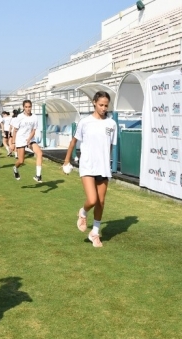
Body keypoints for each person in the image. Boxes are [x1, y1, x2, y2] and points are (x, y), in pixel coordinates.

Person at [63, 91, 117, 248]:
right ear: (94, 103)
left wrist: (107, 163)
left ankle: (95, 233)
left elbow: (110, 147)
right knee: (92, 200)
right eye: (101, 105)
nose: (104, 108)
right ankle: (83, 212)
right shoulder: (85, 122)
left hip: (103, 167)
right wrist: (66, 161)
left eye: (106, 105)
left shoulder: (112, 124)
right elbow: (73, 142)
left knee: (101, 202)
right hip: (87, 165)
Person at [11, 100, 43, 181]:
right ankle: (15, 168)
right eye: (26, 107)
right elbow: (15, 130)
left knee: (39, 153)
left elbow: (34, 130)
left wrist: (29, 139)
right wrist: (13, 143)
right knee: (21, 161)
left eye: (29, 107)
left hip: (30, 138)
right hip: (20, 139)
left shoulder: (34, 117)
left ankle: (38, 176)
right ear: (23, 107)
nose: (28, 109)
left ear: (31, 107)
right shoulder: (20, 117)